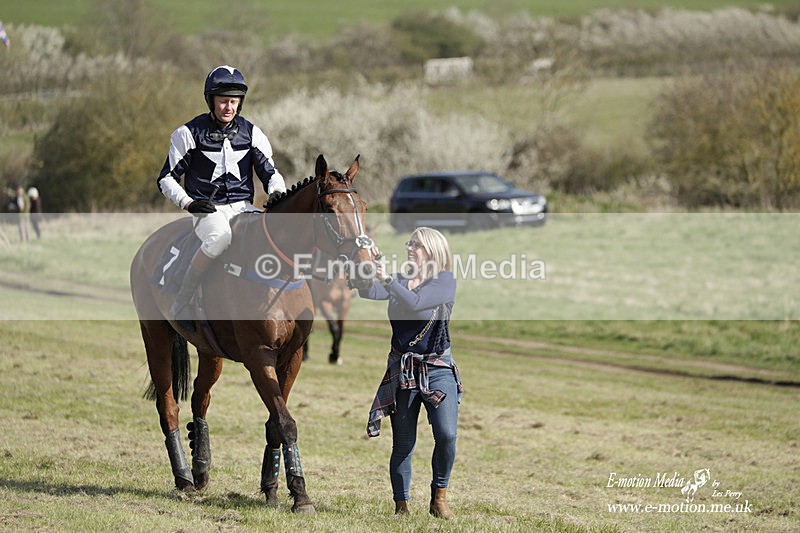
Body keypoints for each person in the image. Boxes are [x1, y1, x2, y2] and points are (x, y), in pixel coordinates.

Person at [157, 65, 287, 331]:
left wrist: (276, 193)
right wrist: (189, 203)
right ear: (211, 100)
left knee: (271, 236)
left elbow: (271, 173)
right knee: (220, 238)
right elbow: (166, 179)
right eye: (223, 100)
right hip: (208, 210)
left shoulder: (252, 133)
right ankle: (183, 300)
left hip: (243, 208)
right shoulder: (188, 134)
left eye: (234, 101)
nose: (229, 107)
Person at [358, 227, 463, 519]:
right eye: (410, 243)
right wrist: (363, 268)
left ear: (432, 250)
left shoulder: (444, 280)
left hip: (437, 367)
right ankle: (401, 506)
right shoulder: (402, 279)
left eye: (416, 245)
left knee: (447, 435)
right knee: (403, 443)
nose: (410, 248)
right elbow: (369, 291)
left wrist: (386, 277)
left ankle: (438, 498)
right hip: (403, 369)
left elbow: (415, 303)